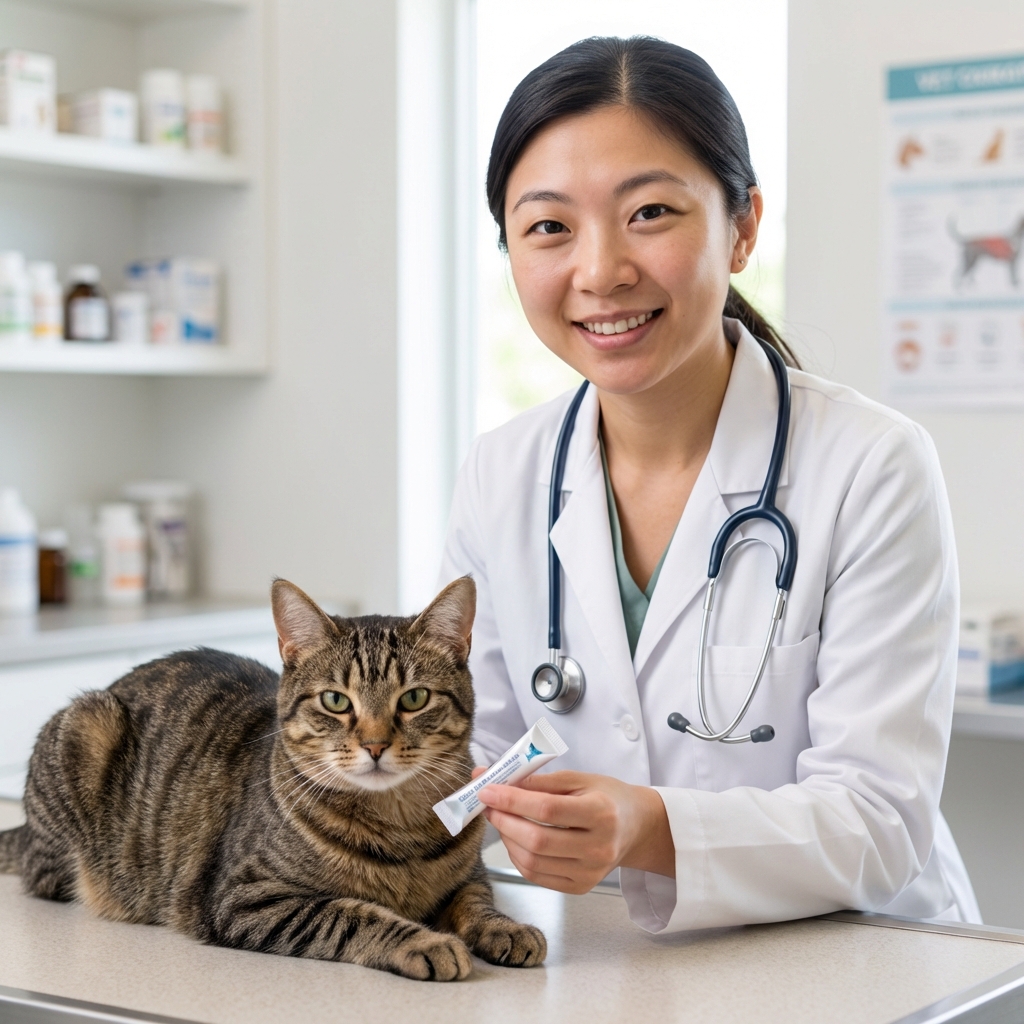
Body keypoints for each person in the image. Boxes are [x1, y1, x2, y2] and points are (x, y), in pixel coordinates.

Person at [438, 36, 979, 933]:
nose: (601, 270)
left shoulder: (870, 465)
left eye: (650, 212)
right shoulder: (505, 473)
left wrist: (648, 825)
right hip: (622, 963)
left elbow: (880, 821)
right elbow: (482, 752)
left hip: (861, 961)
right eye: (548, 227)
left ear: (742, 226)